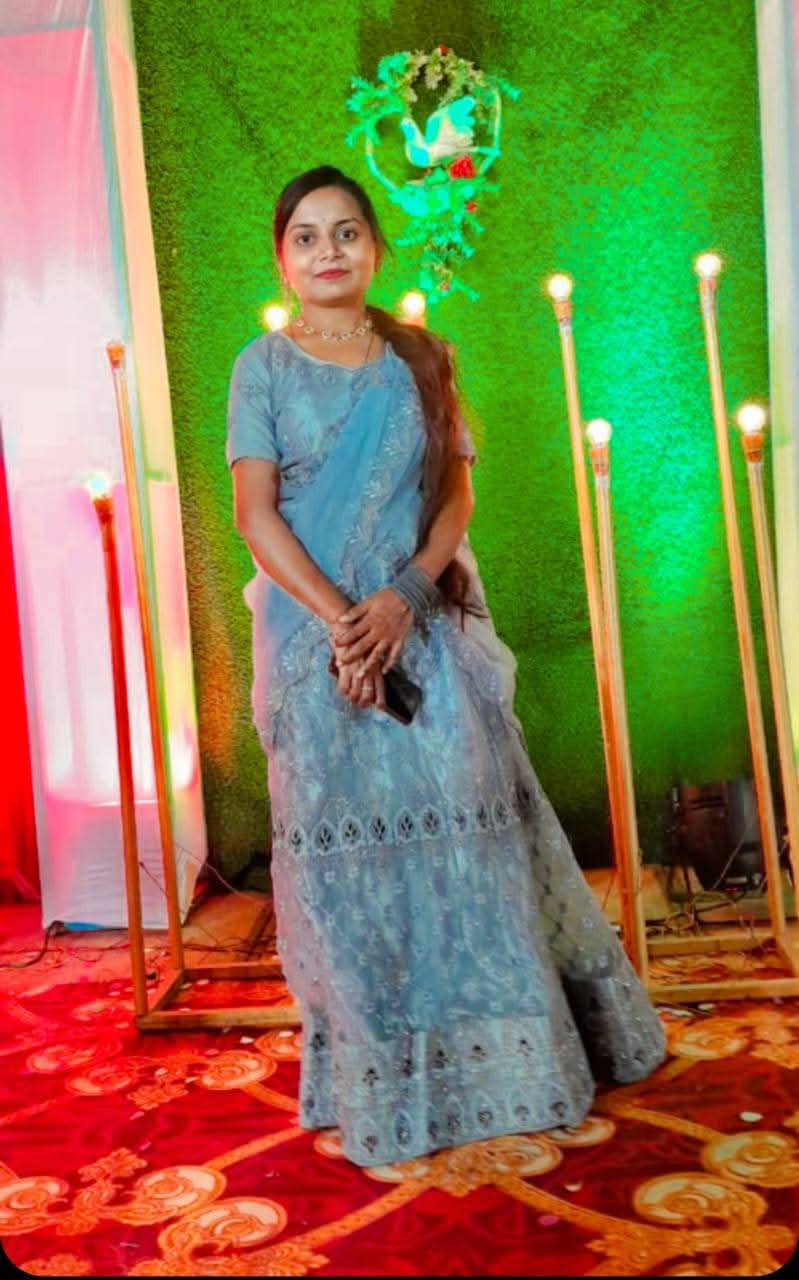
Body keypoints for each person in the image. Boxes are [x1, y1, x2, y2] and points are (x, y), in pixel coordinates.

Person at [225, 164, 667, 1168]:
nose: (328, 250)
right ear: (282, 260)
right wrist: (347, 626)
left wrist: (404, 600)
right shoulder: (261, 367)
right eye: (306, 236)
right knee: (347, 871)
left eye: (346, 231)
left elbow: (455, 498)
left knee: (468, 841)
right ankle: (379, 1071)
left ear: (375, 249)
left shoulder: (421, 360)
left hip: (424, 628)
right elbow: (255, 516)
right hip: (313, 648)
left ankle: (512, 1063)